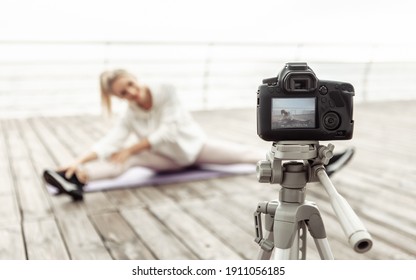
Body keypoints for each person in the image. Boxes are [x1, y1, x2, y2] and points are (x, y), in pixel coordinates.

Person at [43, 69, 354, 201]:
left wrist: (132, 147)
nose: (132, 95)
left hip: (194, 149)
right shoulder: (130, 113)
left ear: (134, 79)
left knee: (246, 154)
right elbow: (111, 141)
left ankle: (323, 162)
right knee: (123, 159)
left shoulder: (165, 91)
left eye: (130, 87)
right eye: (124, 94)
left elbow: (170, 128)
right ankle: (76, 177)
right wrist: (77, 158)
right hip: (164, 160)